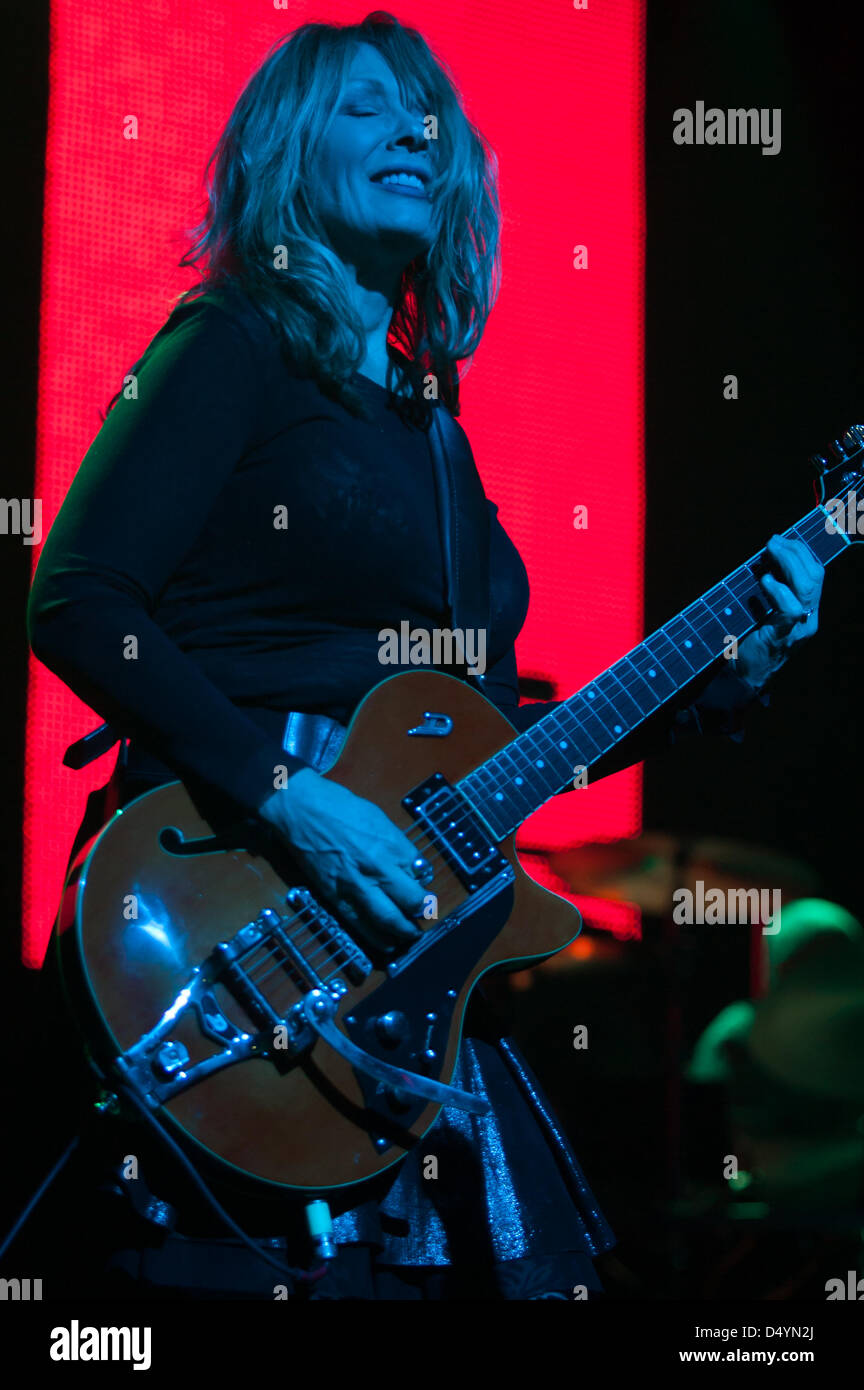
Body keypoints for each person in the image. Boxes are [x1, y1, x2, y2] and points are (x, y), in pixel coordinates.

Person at [26, 12, 824, 1301]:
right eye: (369, 109)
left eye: (431, 116)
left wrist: (727, 668)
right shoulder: (228, 343)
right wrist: (295, 802)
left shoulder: (433, 431)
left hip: (401, 969)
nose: (418, 129)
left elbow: (514, 738)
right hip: (244, 900)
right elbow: (77, 597)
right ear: (290, 152)